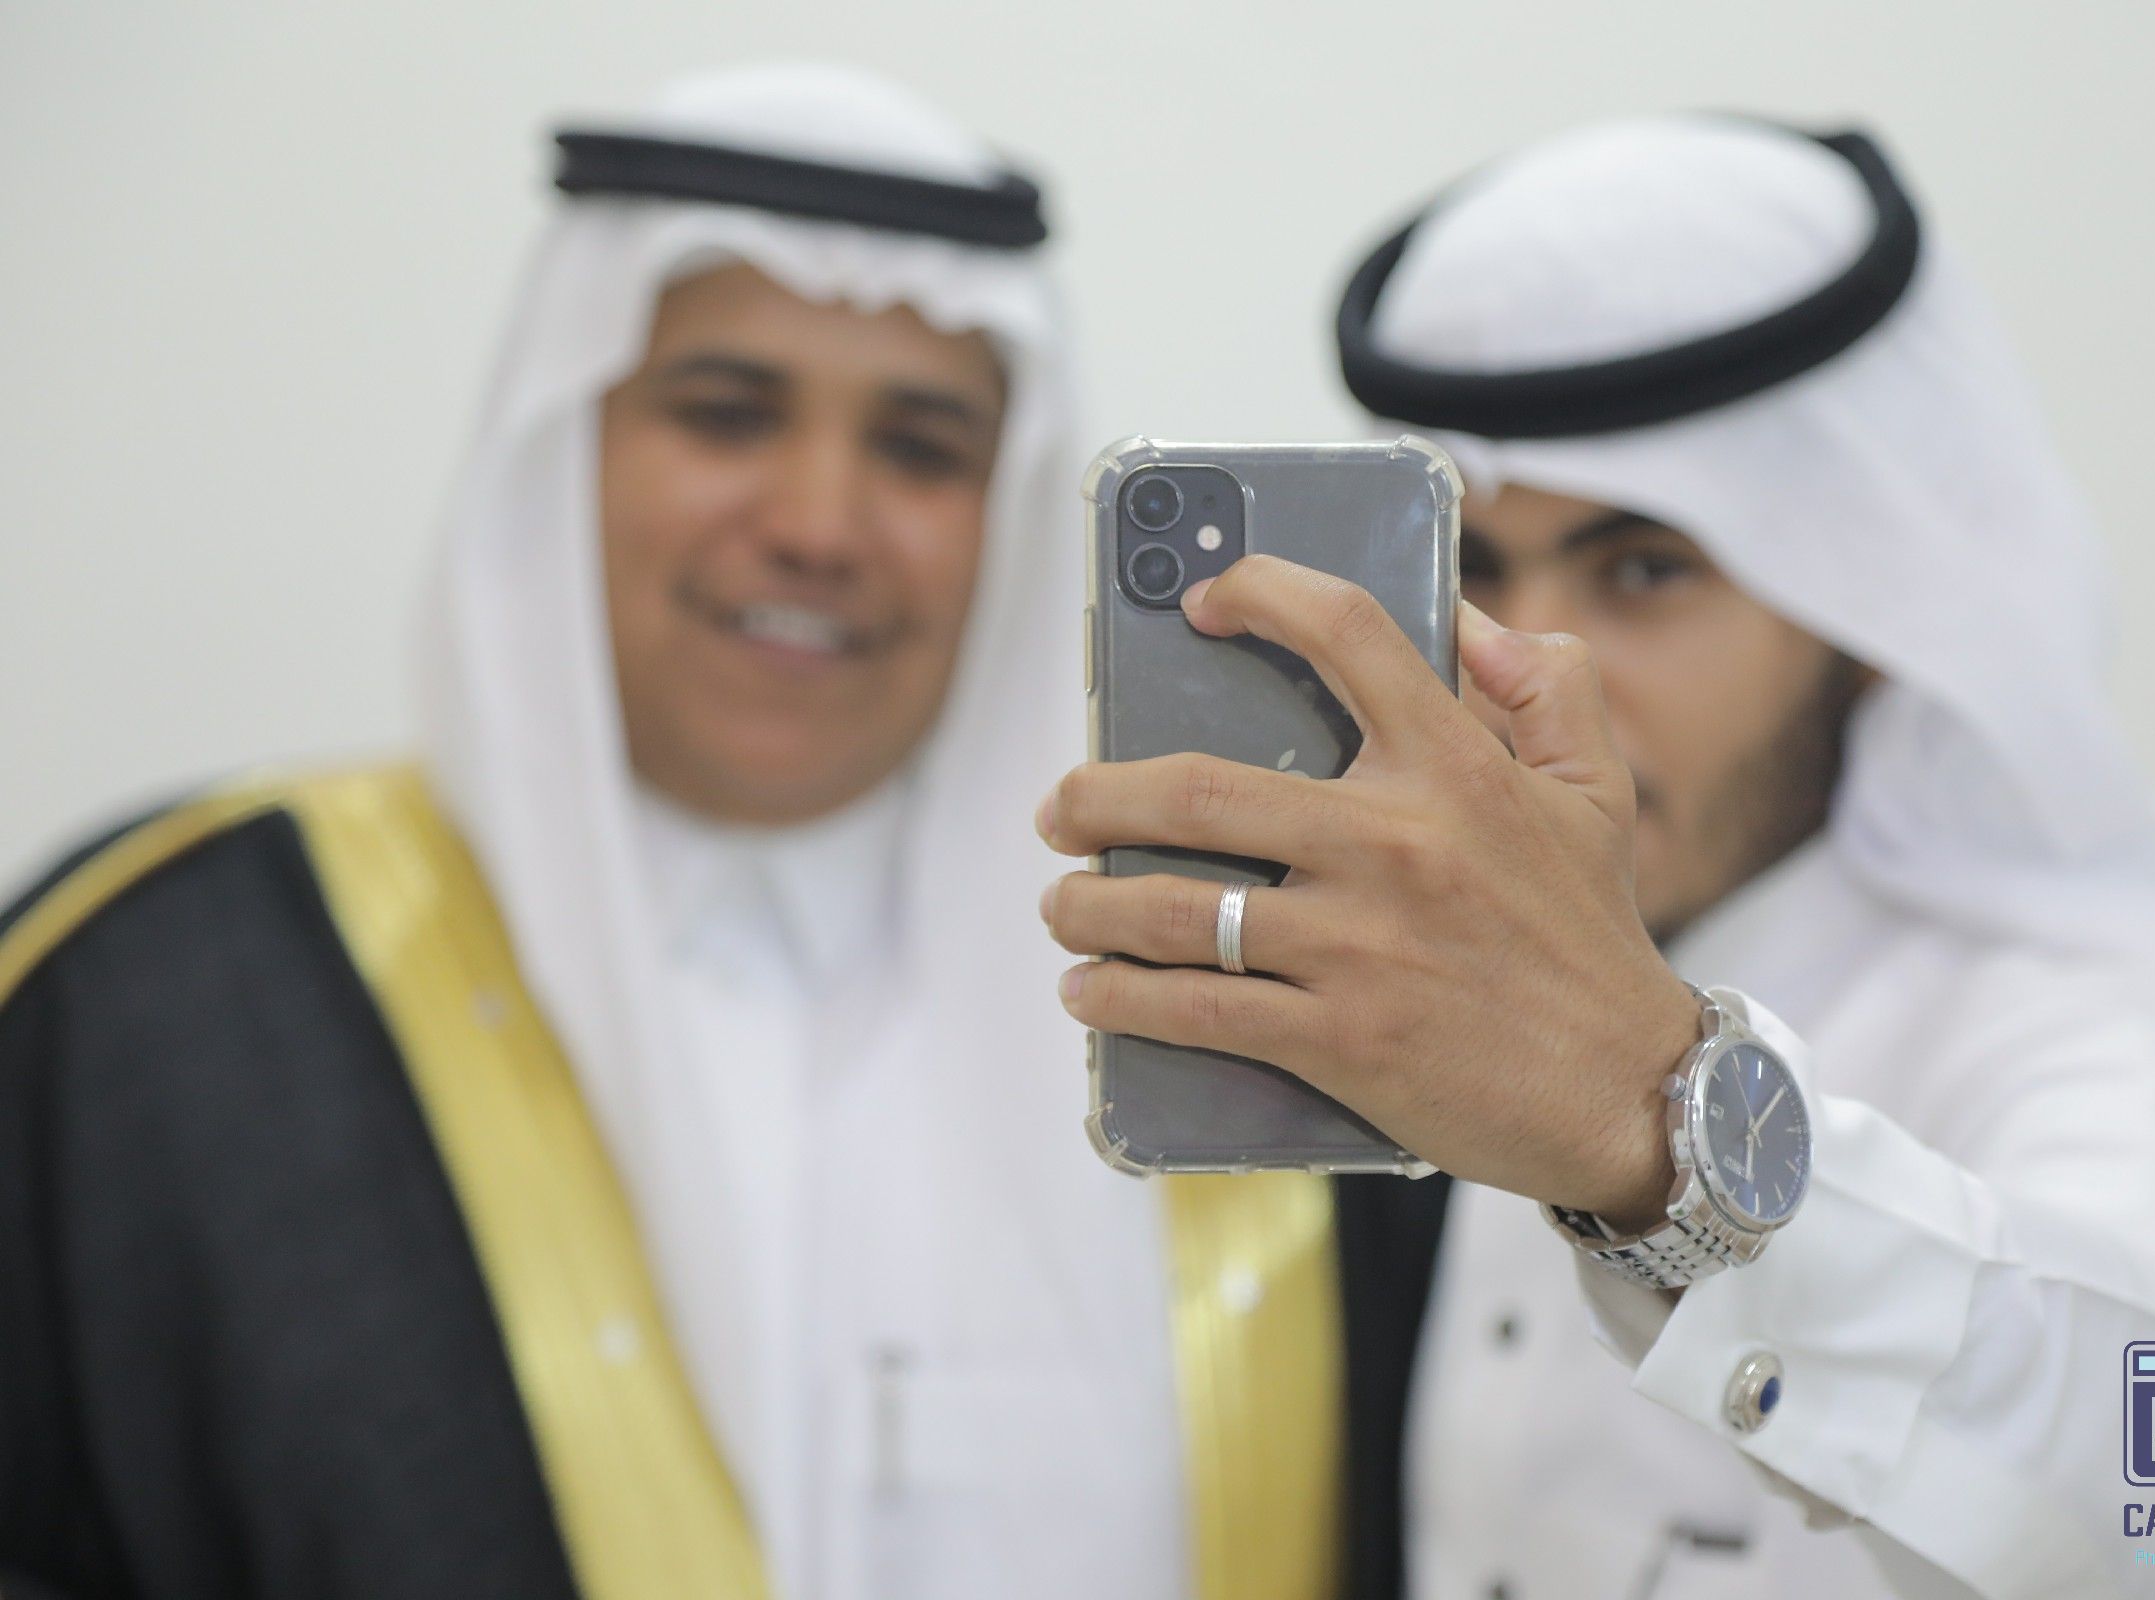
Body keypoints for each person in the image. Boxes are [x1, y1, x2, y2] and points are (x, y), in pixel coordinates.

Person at [0, 64, 1446, 1600]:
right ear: (565, 446)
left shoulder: (1270, 1003)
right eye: (726, 416)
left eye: (920, 449)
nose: (818, 524)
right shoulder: (158, 999)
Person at [1038, 116, 2155, 1596]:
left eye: (1646, 570)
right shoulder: (1469, 1021)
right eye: (1475, 571)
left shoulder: (2130, 1046)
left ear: (1870, 611)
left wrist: (1654, 1132)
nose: (1541, 661)